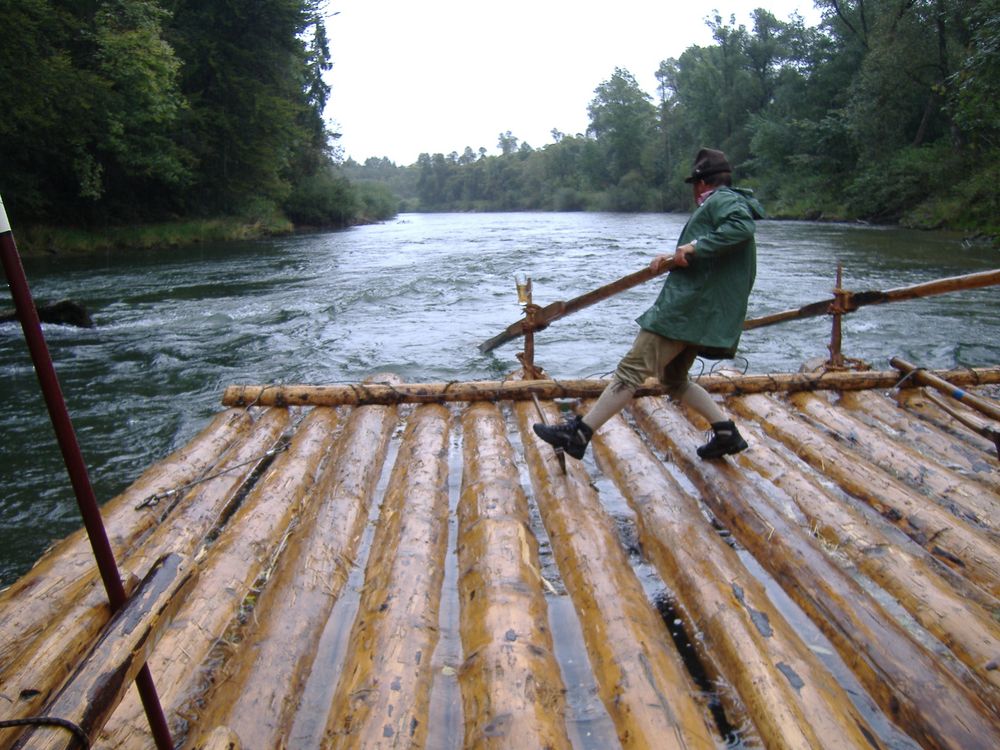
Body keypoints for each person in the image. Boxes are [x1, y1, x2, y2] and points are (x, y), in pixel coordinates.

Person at [533, 147, 764, 460]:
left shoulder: (723, 200)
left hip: (686, 309)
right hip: (701, 309)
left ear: (699, 184)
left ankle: (578, 434)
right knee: (673, 378)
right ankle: (726, 433)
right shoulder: (724, 201)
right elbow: (711, 254)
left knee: (630, 371)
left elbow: (740, 228)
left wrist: (694, 247)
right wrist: (673, 257)